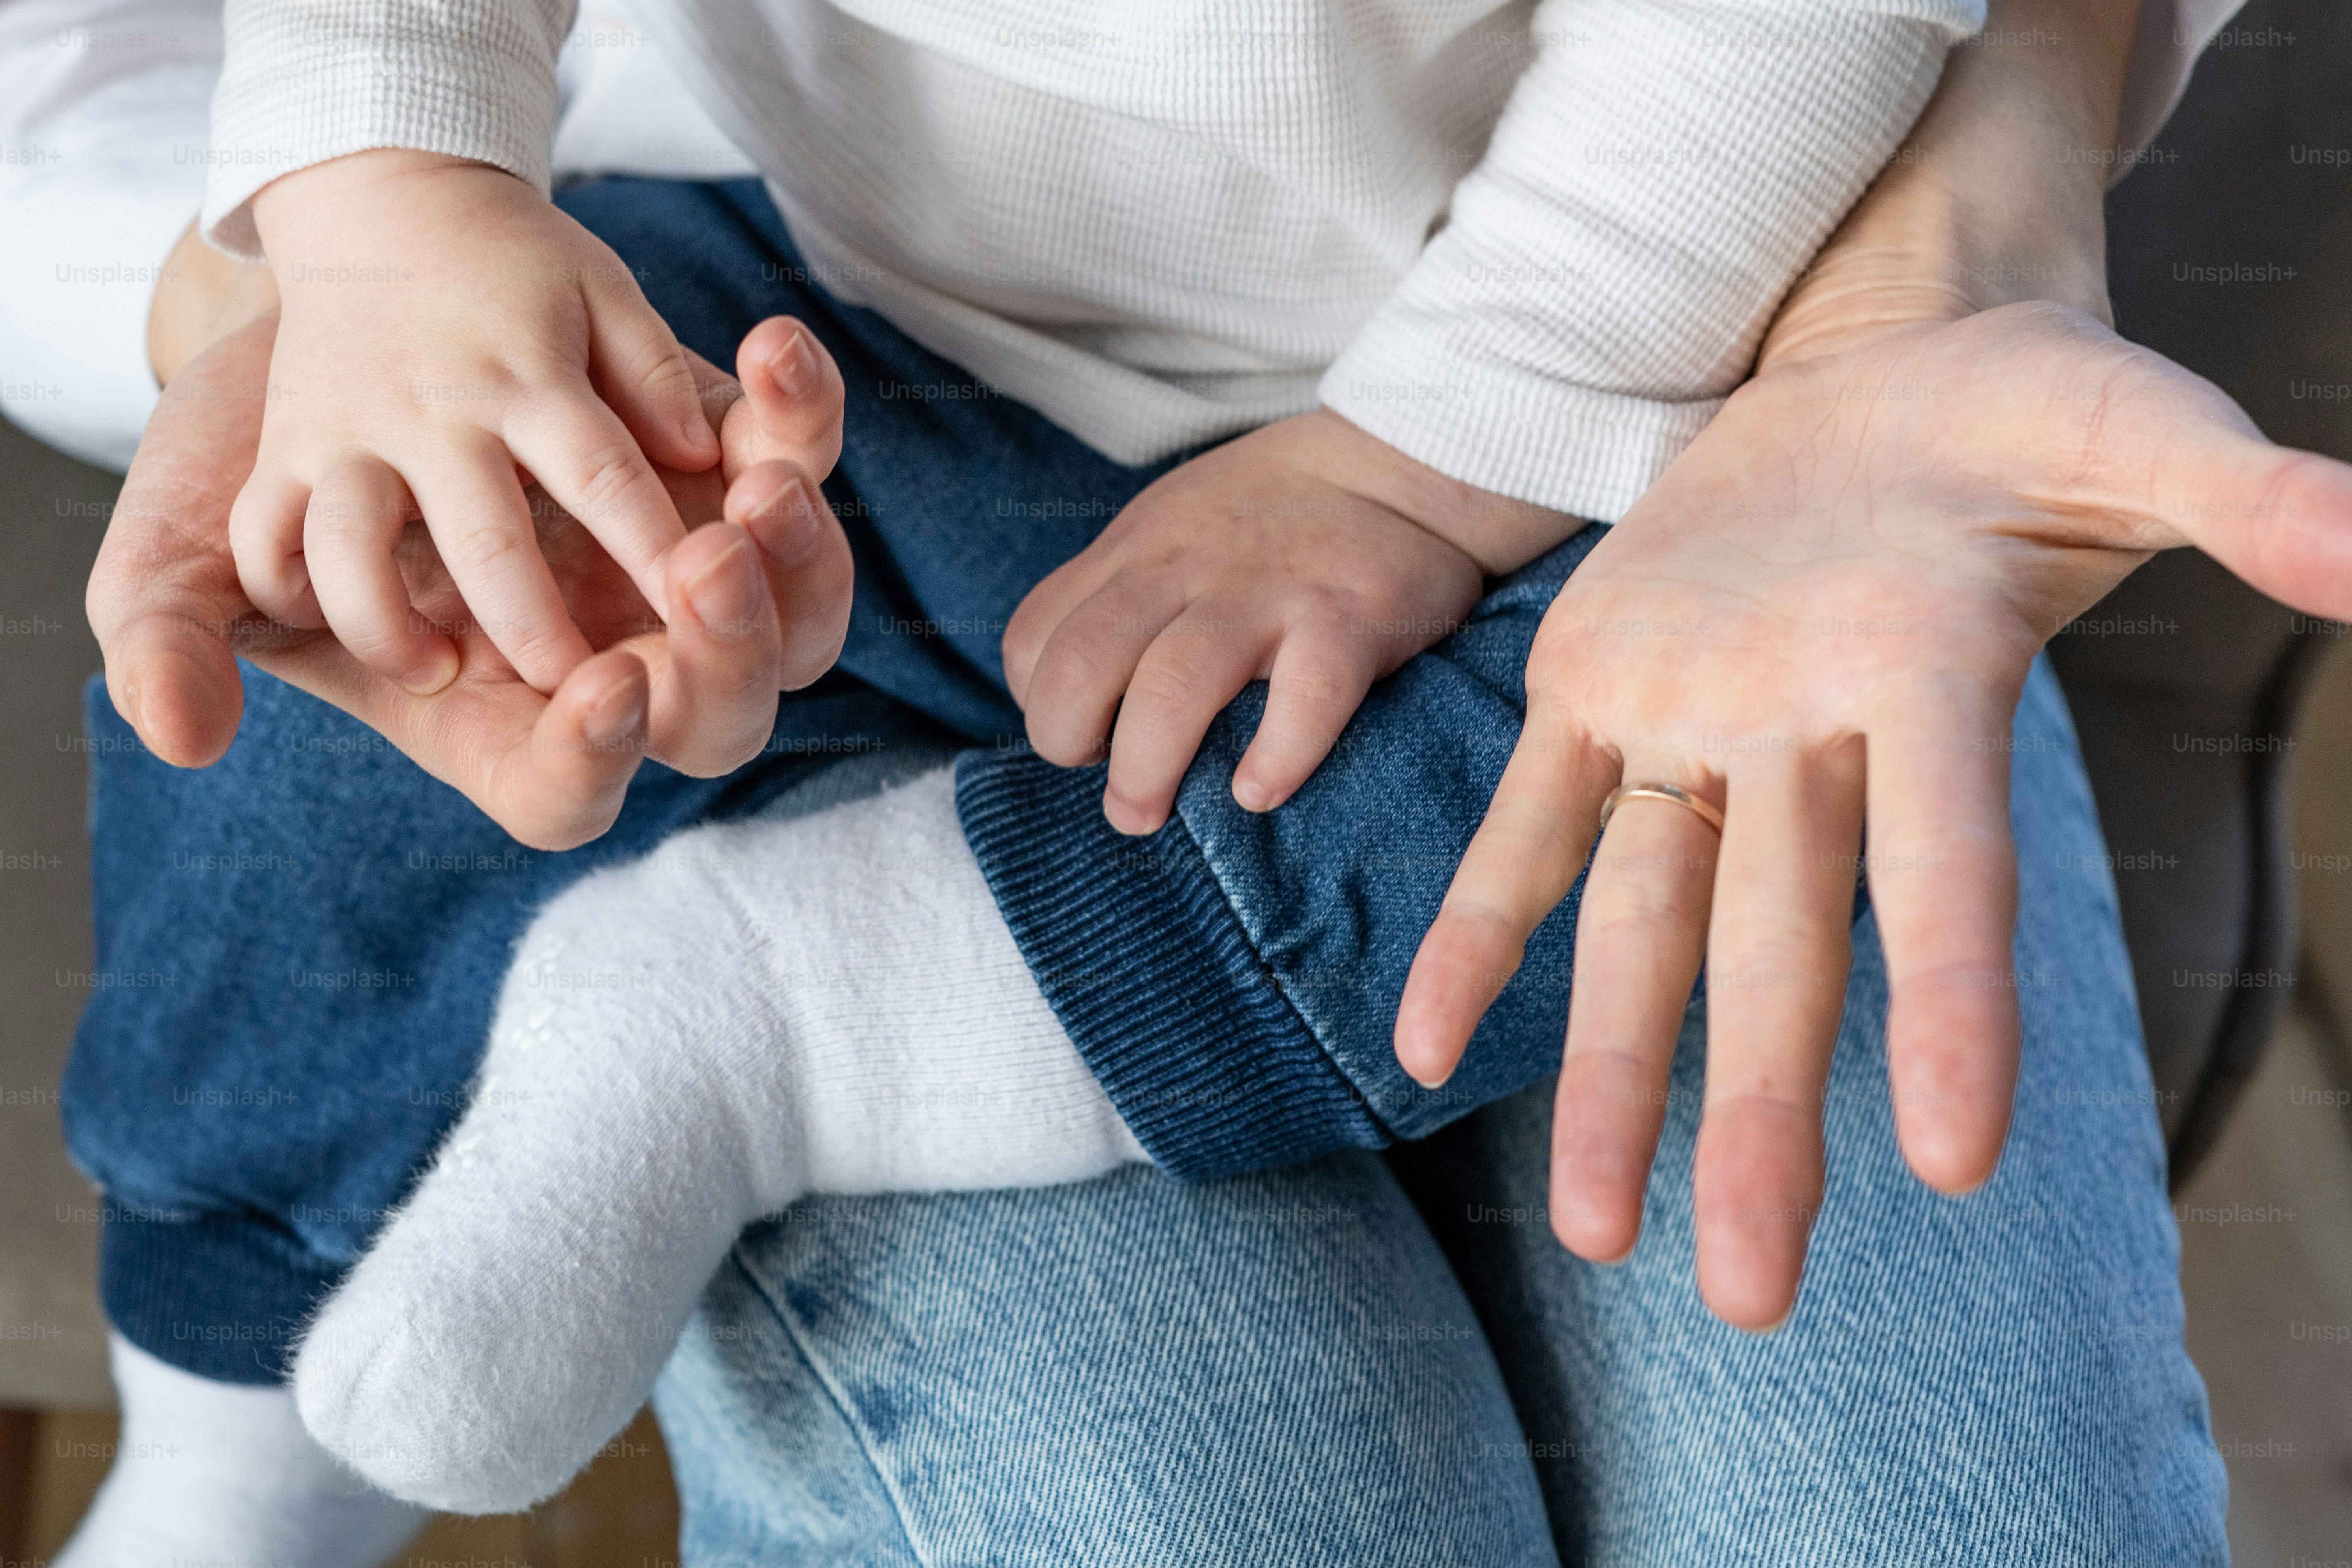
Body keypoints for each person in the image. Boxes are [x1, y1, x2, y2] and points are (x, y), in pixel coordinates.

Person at [2, 0, 2271, 1564]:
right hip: (815, 300)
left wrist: (1425, 456)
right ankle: (243, 1422)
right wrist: (383, 203)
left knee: (1701, 756)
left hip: (1597, 370)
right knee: (343, 640)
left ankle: (833, 1002)